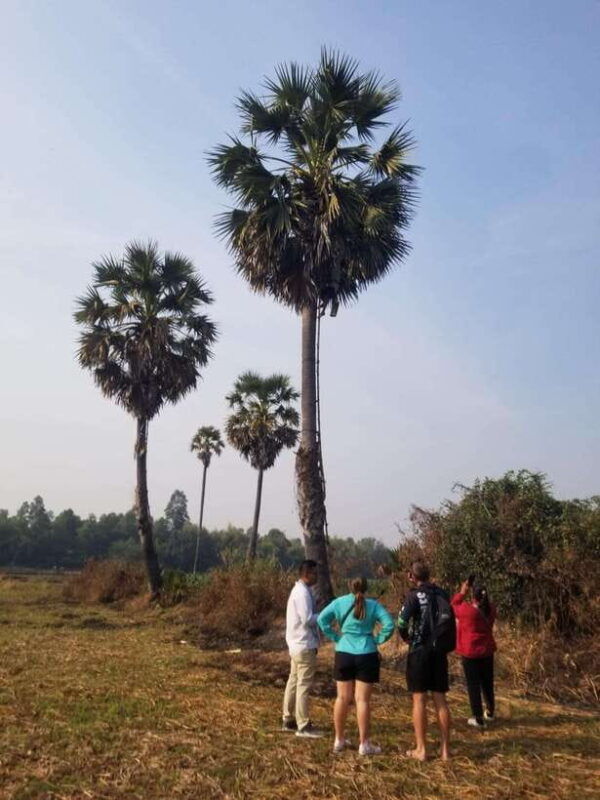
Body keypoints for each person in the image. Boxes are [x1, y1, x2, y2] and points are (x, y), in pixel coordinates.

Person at [317, 577, 394, 755]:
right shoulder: (373, 605)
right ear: (367, 588)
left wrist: (336, 637)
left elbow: (322, 620)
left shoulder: (339, 602)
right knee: (362, 700)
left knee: (342, 698)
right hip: (367, 653)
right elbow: (390, 624)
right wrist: (377, 639)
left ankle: (339, 739)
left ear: (349, 587)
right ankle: (364, 743)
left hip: (343, 652)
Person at [398, 560, 452, 761]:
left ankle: (422, 749)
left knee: (419, 700)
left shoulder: (413, 596)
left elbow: (402, 622)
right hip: (439, 652)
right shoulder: (442, 594)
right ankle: (445, 750)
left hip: (419, 651)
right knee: (441, 700)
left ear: (412, 577)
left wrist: (406, 638)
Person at [282, 559, 323, 738]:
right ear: (307, 574)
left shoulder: (300, 591)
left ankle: (288, 719)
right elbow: (307, 619)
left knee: (293, 681)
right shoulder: (303, 593)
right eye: (315, 573)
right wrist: (325, 615)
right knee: (303, 685)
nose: (317, 577)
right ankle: (303, 725)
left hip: (296, 644)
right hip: (304, 644)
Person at [451, 580, 497, 729]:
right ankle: (490, 712)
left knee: (473, 685)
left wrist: (462, 591)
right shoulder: (491, 609)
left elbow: (453, 605)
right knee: (487, 683)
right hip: (487, 651)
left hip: (470, 653)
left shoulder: (467, 610)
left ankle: (477, 718)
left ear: (473, 596)